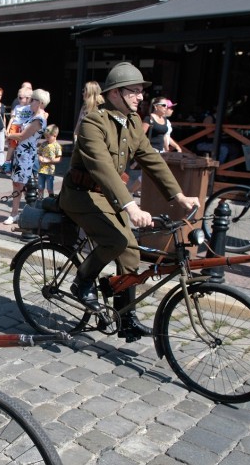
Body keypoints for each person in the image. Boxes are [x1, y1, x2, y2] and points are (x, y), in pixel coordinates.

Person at [60, 62, 199, 340]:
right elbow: (103, 168)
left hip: (110, 196)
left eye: (140, 91)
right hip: (81, 195)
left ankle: (125, 319)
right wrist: (130, 206)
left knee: (131, 251)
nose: (140, 97)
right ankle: (82, 281)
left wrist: (178, 195)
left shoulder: (134, 123)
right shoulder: (92, 123)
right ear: (115, 94)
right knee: (117, 240)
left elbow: (151, 159)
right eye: (133, 91)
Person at [5, 88, 50, 224]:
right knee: (18, 184)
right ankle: (16, 213)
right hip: (22, 154)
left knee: (23, 185)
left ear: (40, 102)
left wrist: (10, 135)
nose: (30, 102)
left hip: (27, 156)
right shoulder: (34, 115)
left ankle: (24, 214)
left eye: (33, 100)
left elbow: (23, 135)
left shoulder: (38, 119)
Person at [4, 87, 33, 174]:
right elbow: (12, 118)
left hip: (25, 127)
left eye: (21, 98)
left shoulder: (30, 107)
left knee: (22, 146)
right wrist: (8, 129)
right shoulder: (17, 107)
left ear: (28, 98)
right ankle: (7, 162)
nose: (19, 99)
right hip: (15, 125)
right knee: (12, 145)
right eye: (18, 97)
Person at [37, 124, 62, 198]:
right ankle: (40, 199)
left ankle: (51, 200)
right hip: (41, 170)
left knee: (49, 188)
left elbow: (59, 158)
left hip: (50, 171)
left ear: (54, 135)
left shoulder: (57, 146)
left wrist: (49, 160)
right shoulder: (43, 144)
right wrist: (40, 157)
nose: (46, 138)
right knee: (40, 187)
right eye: (45, 137)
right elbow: (39, 153)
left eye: (48, 137)